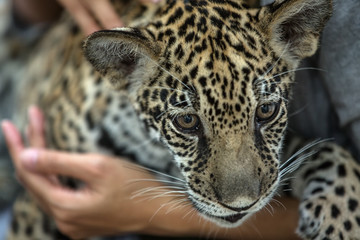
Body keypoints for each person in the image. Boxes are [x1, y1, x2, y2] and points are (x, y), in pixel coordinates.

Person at [4, 0, 360, 239]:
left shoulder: (263, 42)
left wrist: (337, 180)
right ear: (125, 69)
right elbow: (32, 216)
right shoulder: (93, 114)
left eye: (265, 111)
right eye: (188, 123)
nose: (241, 194)